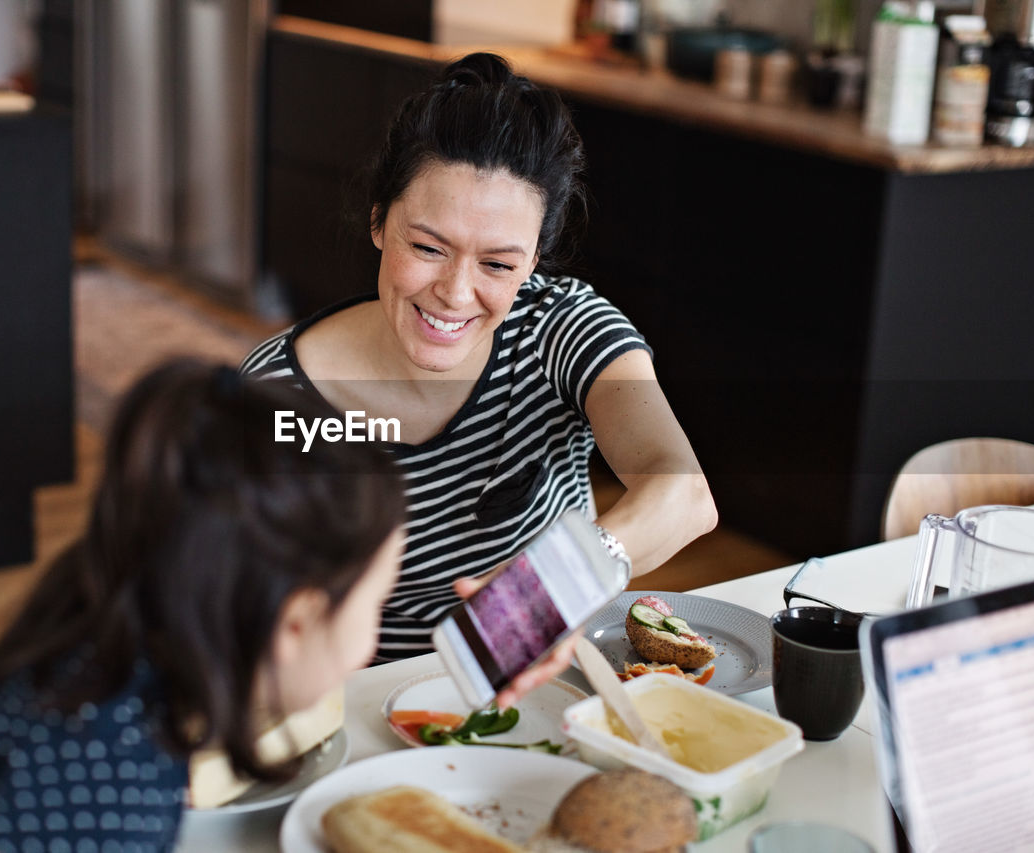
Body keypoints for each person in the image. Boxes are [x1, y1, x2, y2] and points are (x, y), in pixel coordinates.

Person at [241, 52, 717, 705]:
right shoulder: (276, 397)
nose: (455, 293)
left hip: (552, 694)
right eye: (428, 247)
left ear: (533, 263)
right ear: (380, 222)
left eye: (497, 263)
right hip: (361, 711)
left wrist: (553, 584)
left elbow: (684, 493)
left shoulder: (559, 328)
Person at [0, 360, 406, 851]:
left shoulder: (116, 654)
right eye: (376, 604)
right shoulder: (105, 768)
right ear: (294, 623)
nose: (371, 643)